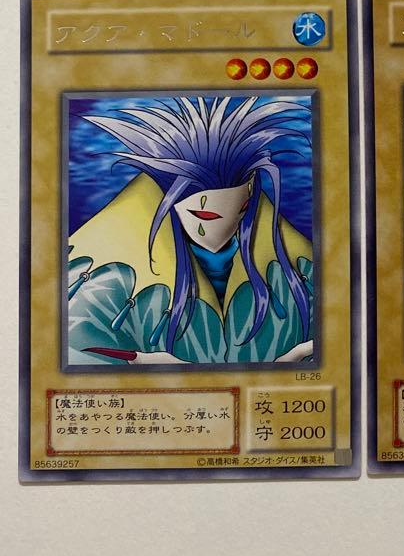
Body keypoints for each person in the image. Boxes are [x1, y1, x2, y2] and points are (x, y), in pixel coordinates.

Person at [67, 95, 314, 365]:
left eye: (242, 208)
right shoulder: (102, 277)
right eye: (204, 215)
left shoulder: (298, 271)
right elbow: (73, 352)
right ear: (169, 201)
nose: (225, 226)